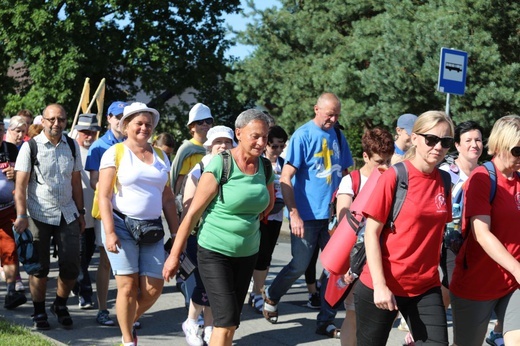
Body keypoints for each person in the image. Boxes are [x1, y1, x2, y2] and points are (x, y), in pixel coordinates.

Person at [163, 109, 275, 346]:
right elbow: (192, 214)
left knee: (232, 321)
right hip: (215, 252)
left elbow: (268, 204)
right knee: (223, 321)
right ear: (239, 133)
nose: (261, 142)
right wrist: (175, 255)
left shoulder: (265, 167)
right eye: (255, 136)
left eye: (265, 137)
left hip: (247, 253)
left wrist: (245, 221)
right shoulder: (220, 165)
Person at [354, 110, 454, 345]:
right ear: (416, 138)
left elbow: (437, 237)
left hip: (425, 286)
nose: (438, 147)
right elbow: (371, 232)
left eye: (446, 142)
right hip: (382, 283)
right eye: (431, 139)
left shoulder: (445, 181)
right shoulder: (396, 176)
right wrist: (380, 286)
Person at [263, 92, 353, 338]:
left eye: (337, 115)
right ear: (316, 109)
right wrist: (294, 213)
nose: (333, 119)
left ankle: (326, 320)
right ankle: (272, 294)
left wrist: (348, 206)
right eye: (329, 115)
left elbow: (345, 173)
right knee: (300, 265)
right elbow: (285, 177)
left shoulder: (337, 134)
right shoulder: (303, 135)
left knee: (336, 267)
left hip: (333, 215)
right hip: (306, 214)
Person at [98, 102, 178, 346]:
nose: (144, 128)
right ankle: (127, 339)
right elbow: (103, 195)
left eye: (148, 124)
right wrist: (110, 232)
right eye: (139, 123)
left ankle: (127, 320)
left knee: (154, 287)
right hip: (121, 226)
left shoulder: (161, 155)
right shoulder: (115, 153)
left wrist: (176, 233)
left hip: (152, 228)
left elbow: (167, 197)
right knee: (127, 287)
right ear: (126, 126)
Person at [449, 115, 520, 346]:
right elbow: (481, 233)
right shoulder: (482, 178)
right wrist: (517, 268)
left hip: (514, 284)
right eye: (517, 150)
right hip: (477, 284)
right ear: (499, 146)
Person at [13, 103, 85, 330]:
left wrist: (81, 213)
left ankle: (60, 305)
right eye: (52, 119)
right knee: (39, 268)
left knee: (72, 266)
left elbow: (76, 183)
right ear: (42, 121)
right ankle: (39, 311)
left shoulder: (72, 146)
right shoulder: (30, 147)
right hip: (38, 213)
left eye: (61, 119)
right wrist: (21, 215)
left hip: (68, 213)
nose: (57, 123)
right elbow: (21, 185)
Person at [335, 127, 394, 346]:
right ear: (366, 157)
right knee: (353, 314)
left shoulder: (393, 177)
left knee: (379, 318)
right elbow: (344, 222)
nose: (385, 166)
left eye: (389, 160)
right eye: (380, 161)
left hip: (385, 257)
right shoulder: (352, 181)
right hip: (358, 259)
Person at [180, 125, 236, 346]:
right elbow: (188, 208)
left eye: (227, 142)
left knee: (218, 285)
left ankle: (211, 326)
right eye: (218, 142)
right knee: (205, 283)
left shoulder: (235, 169)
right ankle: (192, 322)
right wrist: (182, 239)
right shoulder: (198, 170)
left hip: (226, 236)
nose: (222, 146)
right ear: (209, 146)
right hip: (201, 236)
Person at [85, 100, 127, 326]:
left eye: (125, 116)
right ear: (109, 118)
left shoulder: (135, 143)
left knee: (129, 263)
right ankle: (103, 309)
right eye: (117, 116)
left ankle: (127, 311)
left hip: (131, 214)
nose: (122, 120)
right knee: (107, 260)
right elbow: (94, 181)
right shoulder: (99, 146)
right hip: (107, 210)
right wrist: (119, 189)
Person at [438, 121, 484, 309]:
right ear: (457, 145)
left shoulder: (486, 173)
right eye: (469, 140)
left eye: (478, 140)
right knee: (452, 286)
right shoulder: (446, 173)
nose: (474, 145)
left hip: (477, 240)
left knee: (452, 290)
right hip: (450, 241)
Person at [249, 125, 288, 314]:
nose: (278, 150)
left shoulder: (284, 163)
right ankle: (256, 291)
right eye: (274, 146)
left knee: (266, 255)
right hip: (259, 215)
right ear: (266, 146)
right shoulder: (259, 162)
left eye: (281, 146)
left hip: (276, 215)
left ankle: (257, 290)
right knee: (254, 254)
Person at [71, 114, 102, 309]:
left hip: (95, 214)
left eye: (92, 132)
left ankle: (74, 280)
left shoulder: (99, 151)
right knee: (81, 254)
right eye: (85, 132)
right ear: (77, 132)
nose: (89, 136)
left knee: (88, 252)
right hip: (76, 213)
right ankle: (85, 293)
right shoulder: (71, 150)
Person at [0, 119, 27, 310]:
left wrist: (14, 174)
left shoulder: (11, 149)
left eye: (0, 130)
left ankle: (11, 292)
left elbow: (24, 174)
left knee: (9, 250)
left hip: (7, 208)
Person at [170, 103, 213, 215]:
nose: (205, 124)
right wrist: (174, 201)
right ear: (192, 127)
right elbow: (180, 178)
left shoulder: (215, 147)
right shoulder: (187, 149)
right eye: (200, 122)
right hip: (191, 202)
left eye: (208, 121)